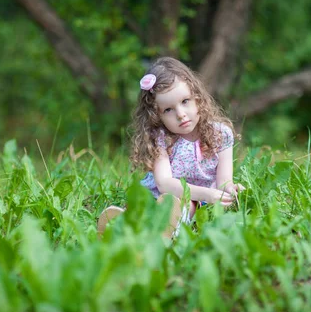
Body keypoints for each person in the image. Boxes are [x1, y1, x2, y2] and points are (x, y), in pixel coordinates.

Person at [97, 57, 245, 238]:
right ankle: (125, 223)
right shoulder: (162, 139)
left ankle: (156, 230)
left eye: (185, 101)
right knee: (159, 203)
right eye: (168, 110)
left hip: (197, 201)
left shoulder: (220, 134)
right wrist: (207, 194)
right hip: (162, 195)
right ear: (156, 116)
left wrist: (230, 190)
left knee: (187, 205)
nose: (181, 114)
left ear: (197, 97)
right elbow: (164, 183)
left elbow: (224, 181)